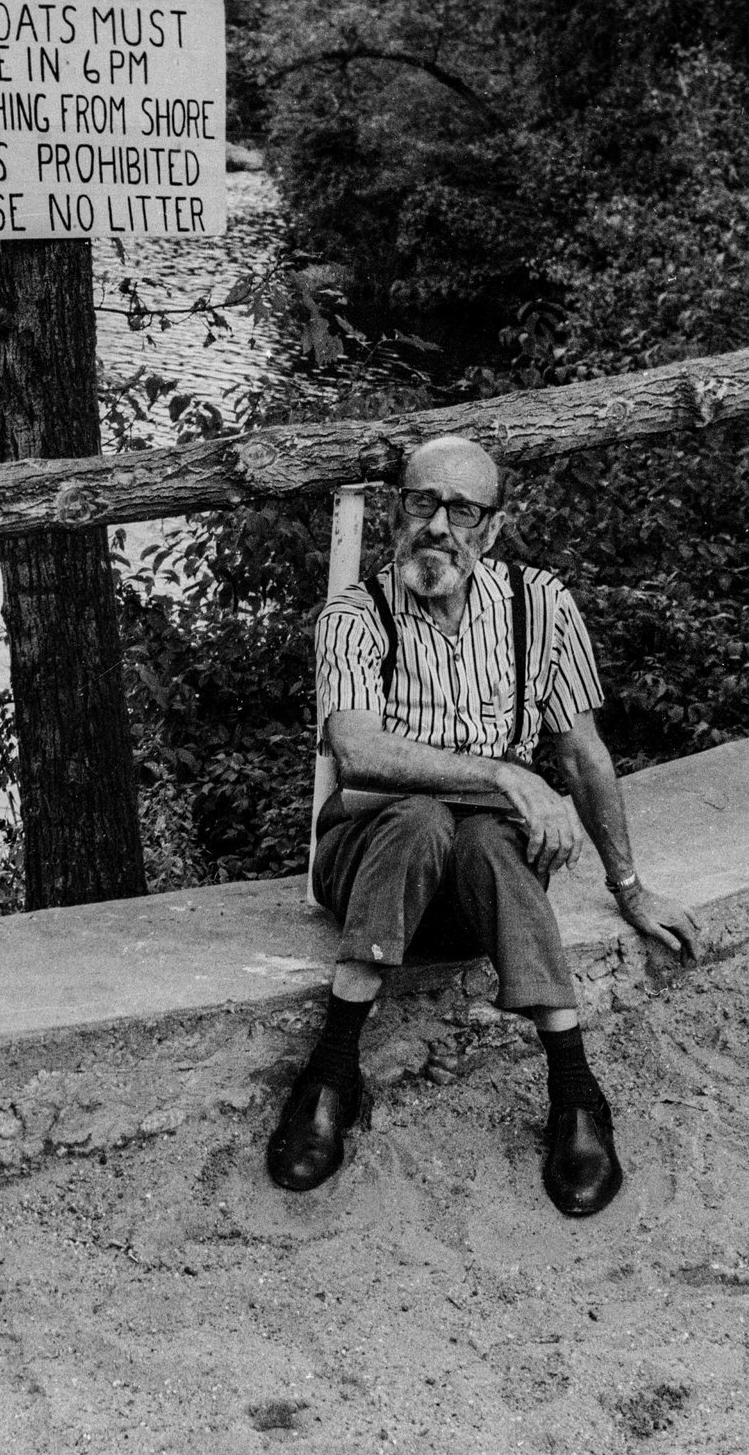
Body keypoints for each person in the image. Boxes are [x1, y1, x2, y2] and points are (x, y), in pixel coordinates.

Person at [267, 435, 702, 1216]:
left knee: (483, 840)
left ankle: (576, 1094)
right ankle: (332, 1070)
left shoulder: (543, 607)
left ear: (491, 529)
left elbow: (584, 753)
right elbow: (359, 752)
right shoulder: (353, 615)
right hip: (368, 860)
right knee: (424, 821)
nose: (437, 526)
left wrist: (630, 889)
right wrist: (503, 773)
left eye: (461, 509)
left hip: (477, 886)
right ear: (397, 512)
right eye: (421, 502)